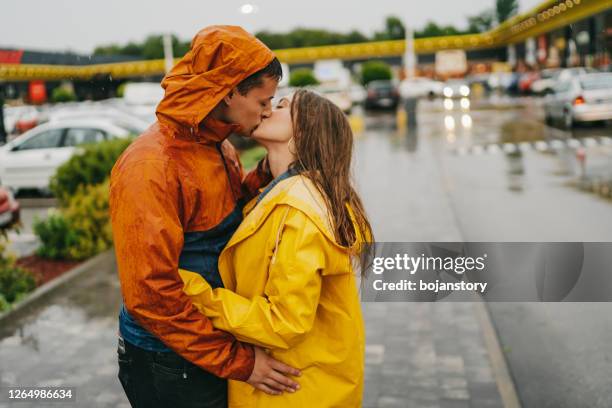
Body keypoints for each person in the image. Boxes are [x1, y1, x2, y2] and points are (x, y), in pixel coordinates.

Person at [110, 26, 300, 408]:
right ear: (228, 91)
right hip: (169, 360)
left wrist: (273, 169)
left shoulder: (218, 144)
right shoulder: (151, 165)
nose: (267, 111)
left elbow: (223, 213)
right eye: (263, 100)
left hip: (206, 343)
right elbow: (150, 294)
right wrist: (240, 362)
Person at [179, 89, 374, 407]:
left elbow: (284, 321)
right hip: (297, 384)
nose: (267, 109)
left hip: (296, 390)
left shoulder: (299, 209)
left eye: (282, 106)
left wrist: (195, 292)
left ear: (306, 131)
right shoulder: (276, 194)